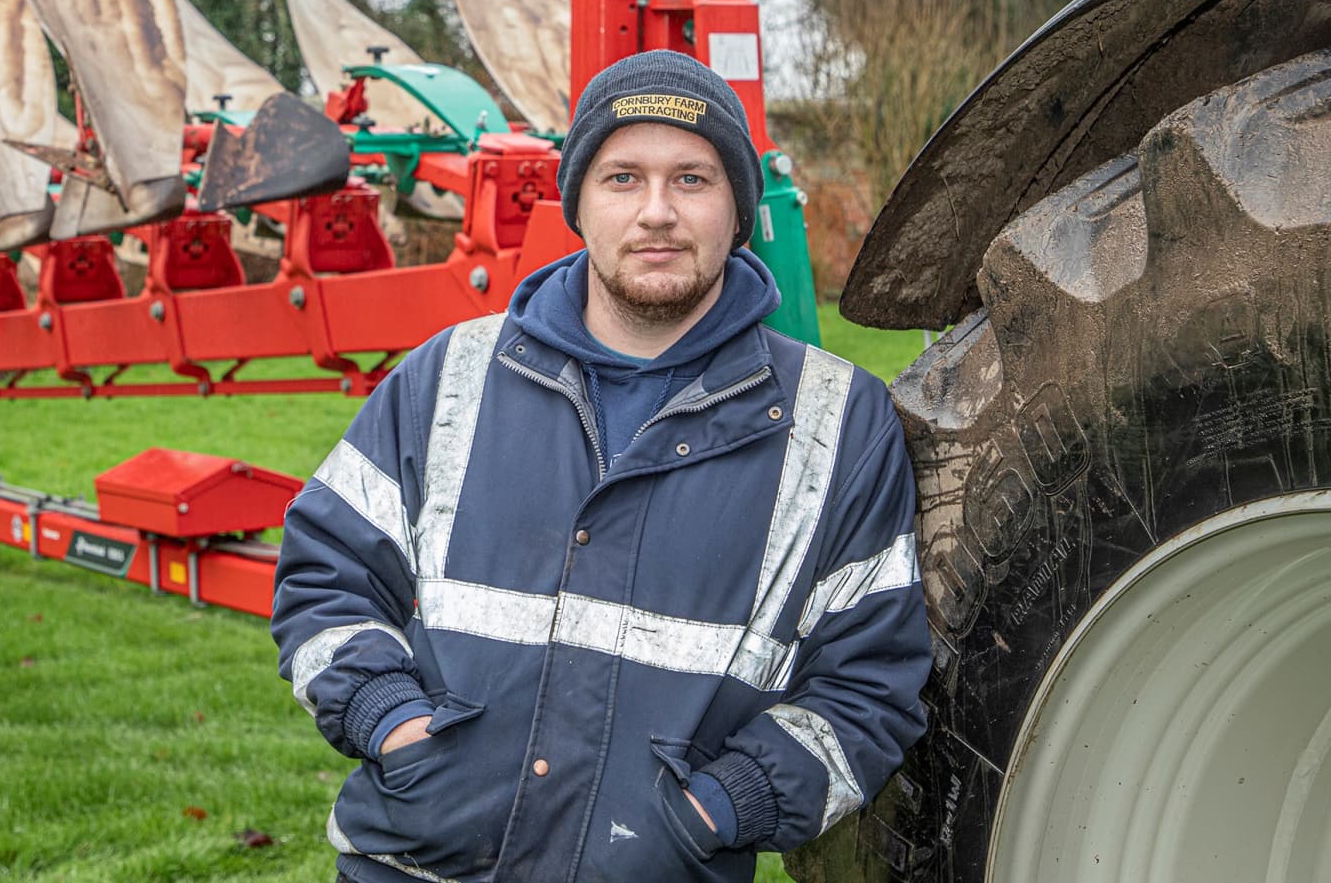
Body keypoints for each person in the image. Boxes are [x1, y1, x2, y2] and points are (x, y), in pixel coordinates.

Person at [272, 50, 933, 883]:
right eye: (623, 178)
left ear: (739, 209)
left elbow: (870, 683)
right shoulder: (452, 375)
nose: (656, 211)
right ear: (578, 203)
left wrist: (720, 809)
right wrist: (387, 717)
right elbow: (325, 573)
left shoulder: (838, 421)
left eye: (692, 179)